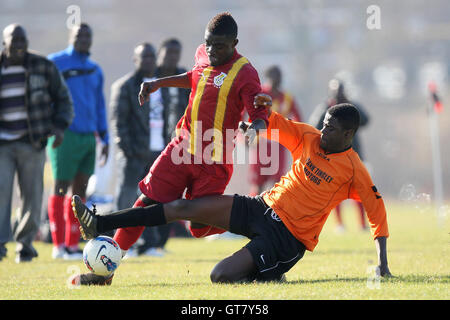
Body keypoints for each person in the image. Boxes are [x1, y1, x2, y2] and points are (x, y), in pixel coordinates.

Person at [71, 101, 392, 284]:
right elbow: (276, 123)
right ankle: (100, 224)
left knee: (220, 276)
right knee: (183, 207)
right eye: (324, 124)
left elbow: (377, 212)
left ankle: (269, 272)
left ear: (349, 134)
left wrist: (383, 265)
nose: (324, 131)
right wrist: (255, 122)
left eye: (332, 129)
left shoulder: (353, 170)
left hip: (287, 240)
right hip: (260, 208)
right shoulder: (309, 137)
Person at [70, 12, 269, 284]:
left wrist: (256, 124)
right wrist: (158, 83)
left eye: (219, 46)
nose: (211, 50)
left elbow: (256, 108)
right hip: (181, 148)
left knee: (197, 227)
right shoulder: (203, 55)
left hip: (213, 161)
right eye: (208, 43)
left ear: (235, 42)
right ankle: (106, 273)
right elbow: (194, 77)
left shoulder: (245, 73)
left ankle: (252, 224)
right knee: (145, 201)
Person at [0, 24, 73, 263]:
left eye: (23, 39)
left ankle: (26, 245)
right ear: (5, 42)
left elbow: (63, 99)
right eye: (14, 39)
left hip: (33, 142)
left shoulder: (43, 67)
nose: (19, 44)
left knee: (32, 195)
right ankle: (0, 244)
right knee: (2, 192)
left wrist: (59, 127)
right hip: (3, 143)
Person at [46, 23, 109, 260]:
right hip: (65, 134)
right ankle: (58, 246)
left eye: (87, 36)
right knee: (60, 188)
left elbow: (99, 104)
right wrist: (52, 125)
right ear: (71, 36)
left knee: (79, 192)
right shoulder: (56, 62)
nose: (84, 39)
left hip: (89, 136)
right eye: (79, 35)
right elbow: (45, 96)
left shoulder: (95, 69)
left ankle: (72, 246)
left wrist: (104, 135)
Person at [135, 38, 192, 257]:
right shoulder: (153, 78)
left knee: (172, 196)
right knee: (149, 195)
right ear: (160, 54)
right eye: (168, 53)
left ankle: (160, 242)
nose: (172, 57)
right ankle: (146, 241)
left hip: (176, 146)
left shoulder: (183, 77)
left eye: (176, 53)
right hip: (150, 146)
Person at [309, 78, 370, 232]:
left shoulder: (351, 107)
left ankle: (362, 225)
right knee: (335, 192)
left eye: (341, 91)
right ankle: (340, 224)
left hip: (353, 155)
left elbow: (366, 120)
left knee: (359, 190)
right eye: (336, 92)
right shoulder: (326, 108)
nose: (338, 95)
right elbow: (314, 127)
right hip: (333, 157)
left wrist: (351, 107)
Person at [248, 65, 302, 196]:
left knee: (277, 181)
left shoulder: (287, 98)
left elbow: (298, 120)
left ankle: (273, 211)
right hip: (261, 144)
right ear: (267, 77)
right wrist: (248, 137)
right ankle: (252, 211)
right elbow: (249, 115)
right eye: (272, 76)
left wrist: (294, 139)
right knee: (258, 183)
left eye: (278, 77)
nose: (276, 80)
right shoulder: (260, 95)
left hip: (279, 144)